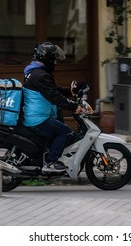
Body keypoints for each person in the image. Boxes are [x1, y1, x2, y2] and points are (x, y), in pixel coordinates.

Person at [22, 42, 83, 172]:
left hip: (38, 115)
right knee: (65, 131)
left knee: (58, 129)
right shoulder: (40, 76)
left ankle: (48, 156)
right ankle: (51, 162)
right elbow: (53, 96)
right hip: (38, 118)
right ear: (47, 58)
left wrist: (70, 92)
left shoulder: (35, 72)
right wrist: (73, 107)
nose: (55, 62)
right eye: (54, 59)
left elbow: (52, 90)